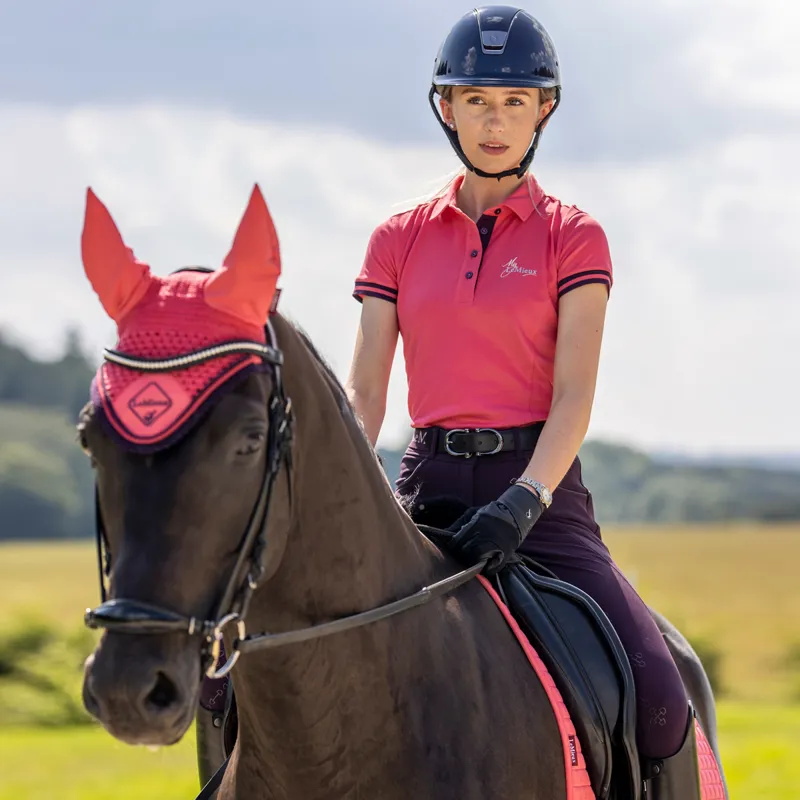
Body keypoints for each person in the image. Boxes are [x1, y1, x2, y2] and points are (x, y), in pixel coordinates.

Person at [345, 4, 691, 773]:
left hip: (541, 493)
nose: (493, 122)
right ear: (446, 108)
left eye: (513, 102)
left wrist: (524, 500)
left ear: (545, 109)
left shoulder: (575, 235)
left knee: (662, 698)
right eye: (475, 100)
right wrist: (341, 497)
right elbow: (364, 393)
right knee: (256, 677)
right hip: (424, 486)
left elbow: (574, 395)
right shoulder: (396, 238)